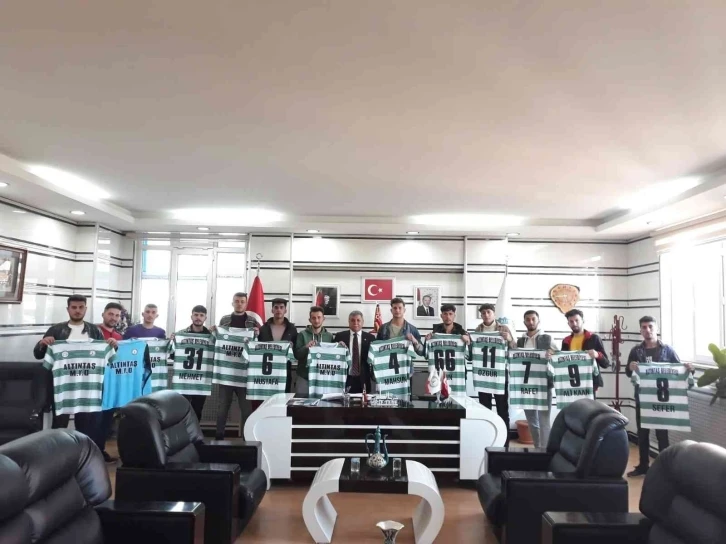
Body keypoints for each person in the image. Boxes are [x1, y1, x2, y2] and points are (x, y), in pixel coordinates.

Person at [32, 295, 106, 448]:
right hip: (61, 386)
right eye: (74, 307)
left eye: (81, 307)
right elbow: (38, 355)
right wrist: (42, 344)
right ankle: (57, 454)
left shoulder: (95, 330)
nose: (77, 310)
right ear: (68, 309)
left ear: (85, 309)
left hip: (86, 386)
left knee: (86, 426)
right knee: (59, 425)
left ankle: (84, 454)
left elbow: (104, 356)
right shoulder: (55, 330)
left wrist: (113, 346)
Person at [626, 316, 692, 477]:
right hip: (643, 398)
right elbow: (628, 373)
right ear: (640, 330)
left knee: (662, 435)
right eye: (644, 327)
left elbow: (678, 369)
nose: (647, 330)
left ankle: (665, 468)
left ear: (656, 328)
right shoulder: (636, 351)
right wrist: (630, 367)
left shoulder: (667, 350)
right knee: (642, 434)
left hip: (662, 399)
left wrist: (690, 368)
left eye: (650, 326)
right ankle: (643, 465)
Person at [214, 292, 257, 439]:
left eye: (242, 301)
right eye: (236, 301)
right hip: (226, 372)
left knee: (246, 410)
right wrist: (215, 332)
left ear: (246, 304)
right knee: (222, 408)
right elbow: (219, 340)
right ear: (232, 303)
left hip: (244, 373)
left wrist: (256, 334)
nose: (239, 304)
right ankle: (219, 436)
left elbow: (256, 345)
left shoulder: (252, 321)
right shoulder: (225, 320)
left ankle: (247, 438)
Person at [517, 310, 557, 448]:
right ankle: (537, 448)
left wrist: (552, 354)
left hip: (543, 385)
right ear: (524, 322)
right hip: (526, 385)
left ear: (538, 321)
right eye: (528, 319)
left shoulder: (548, 338)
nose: (531, 322)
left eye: (533, 319)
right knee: (532, 421)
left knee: (544, 421)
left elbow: (559, 355)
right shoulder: (520, 341)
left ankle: (545, 451)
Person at [475, 303, 514, 442]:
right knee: (485, 409)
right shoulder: (478, 329)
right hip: (483, 375)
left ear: (494, 313)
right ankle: (487, 438)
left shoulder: (504, 328)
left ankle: (505, 442)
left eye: (488, 312)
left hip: (500, 374)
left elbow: (514, 348)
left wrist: (510, 339)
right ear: (481, 315)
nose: (486, 315)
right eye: (483, 313)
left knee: (502, 409)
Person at [172, 305, 212, 420]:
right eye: (196, 315)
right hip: (183, 378)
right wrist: (173, 342)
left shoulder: (211, 337)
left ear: (205, 318)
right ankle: (183, 431)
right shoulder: (180, 334)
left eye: (201, 315)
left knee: (197, 409)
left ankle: (195, 431)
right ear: (191, 316)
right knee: (182, 409)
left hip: (201, 380)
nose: (198, 317)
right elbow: (173, 355)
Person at [97, 302, 123, 462]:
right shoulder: (93, 331)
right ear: (103, 314)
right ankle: (88, 453)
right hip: (94, 384)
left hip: (111, 383)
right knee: (92, 420)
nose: (113, 318)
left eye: (117, 315)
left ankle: (100, 450)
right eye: (110, 314)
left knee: (106, 420)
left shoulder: (119, 337)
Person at [561, 309, 609, 395]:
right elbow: (562, 363)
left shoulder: (594, 338)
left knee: (588, 405)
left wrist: (597, 355)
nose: (574, 323)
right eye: (571, 321)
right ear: (568, 324)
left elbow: (606, 364)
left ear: (583, 321)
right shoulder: (566, 341)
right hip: (571, 383)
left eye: (577, 320)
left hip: (589, 383)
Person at [258, 298, 298, 393]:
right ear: (272, 310)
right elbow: (257, 348)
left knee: (283, 398)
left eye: (281, 307)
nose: (278, 310)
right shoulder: (263, 329)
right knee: (267, 398)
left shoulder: (292, 329)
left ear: (285, 310)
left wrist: (292, 347)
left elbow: (296, 351)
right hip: (267, 371)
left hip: (284, 370)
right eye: (276, 307)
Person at [294, 306, 334, 396]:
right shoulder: (302, 335)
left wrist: (341, 346)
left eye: (319, 317)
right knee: (301, 403)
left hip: (323, 377)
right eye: (313, 318)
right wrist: (306, 347)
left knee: (322, 403)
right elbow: (297, 355)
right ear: (310, 320)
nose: (316, 320)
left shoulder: (329, 336)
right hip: (304, 377)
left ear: (323, 319)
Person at [333, 311, 375, 394]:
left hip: (363, 378)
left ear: (363, 322)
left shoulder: (370, 338)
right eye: (352, 320)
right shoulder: (340, 336)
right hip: (345, 378)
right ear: (349, 322)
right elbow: (333, 356)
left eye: (358, 320)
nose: (355, 323)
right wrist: (337, 346)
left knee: (363, 402)